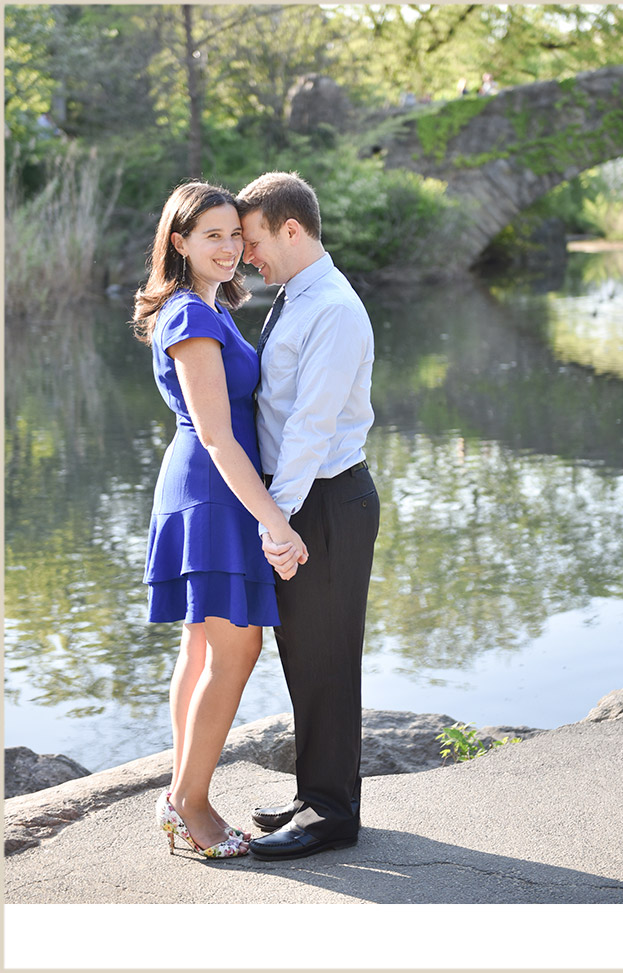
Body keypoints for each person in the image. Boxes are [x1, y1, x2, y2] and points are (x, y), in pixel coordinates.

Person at [133, 182, 309, 860]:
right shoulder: (190, 317)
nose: (232, 247)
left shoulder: (207, 307)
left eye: (237, 235)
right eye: (213, 236)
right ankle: (191, 803)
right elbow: (216, 435)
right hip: (212, 490)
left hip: (209, 489)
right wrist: (275, 522)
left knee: (202, 649)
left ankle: (181, 790)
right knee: (237, 650)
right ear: (178, 241)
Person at [235, 171, 379, 861]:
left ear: (292, 229)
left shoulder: (333, 309)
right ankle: (314, 793)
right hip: (304, 499)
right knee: (304, 651)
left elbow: (311, 426)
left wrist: (277, 519)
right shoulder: (295, 297)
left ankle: (331, 813)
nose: (248, 254)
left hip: (324, 498)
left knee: (327, 654)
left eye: (255, 240)